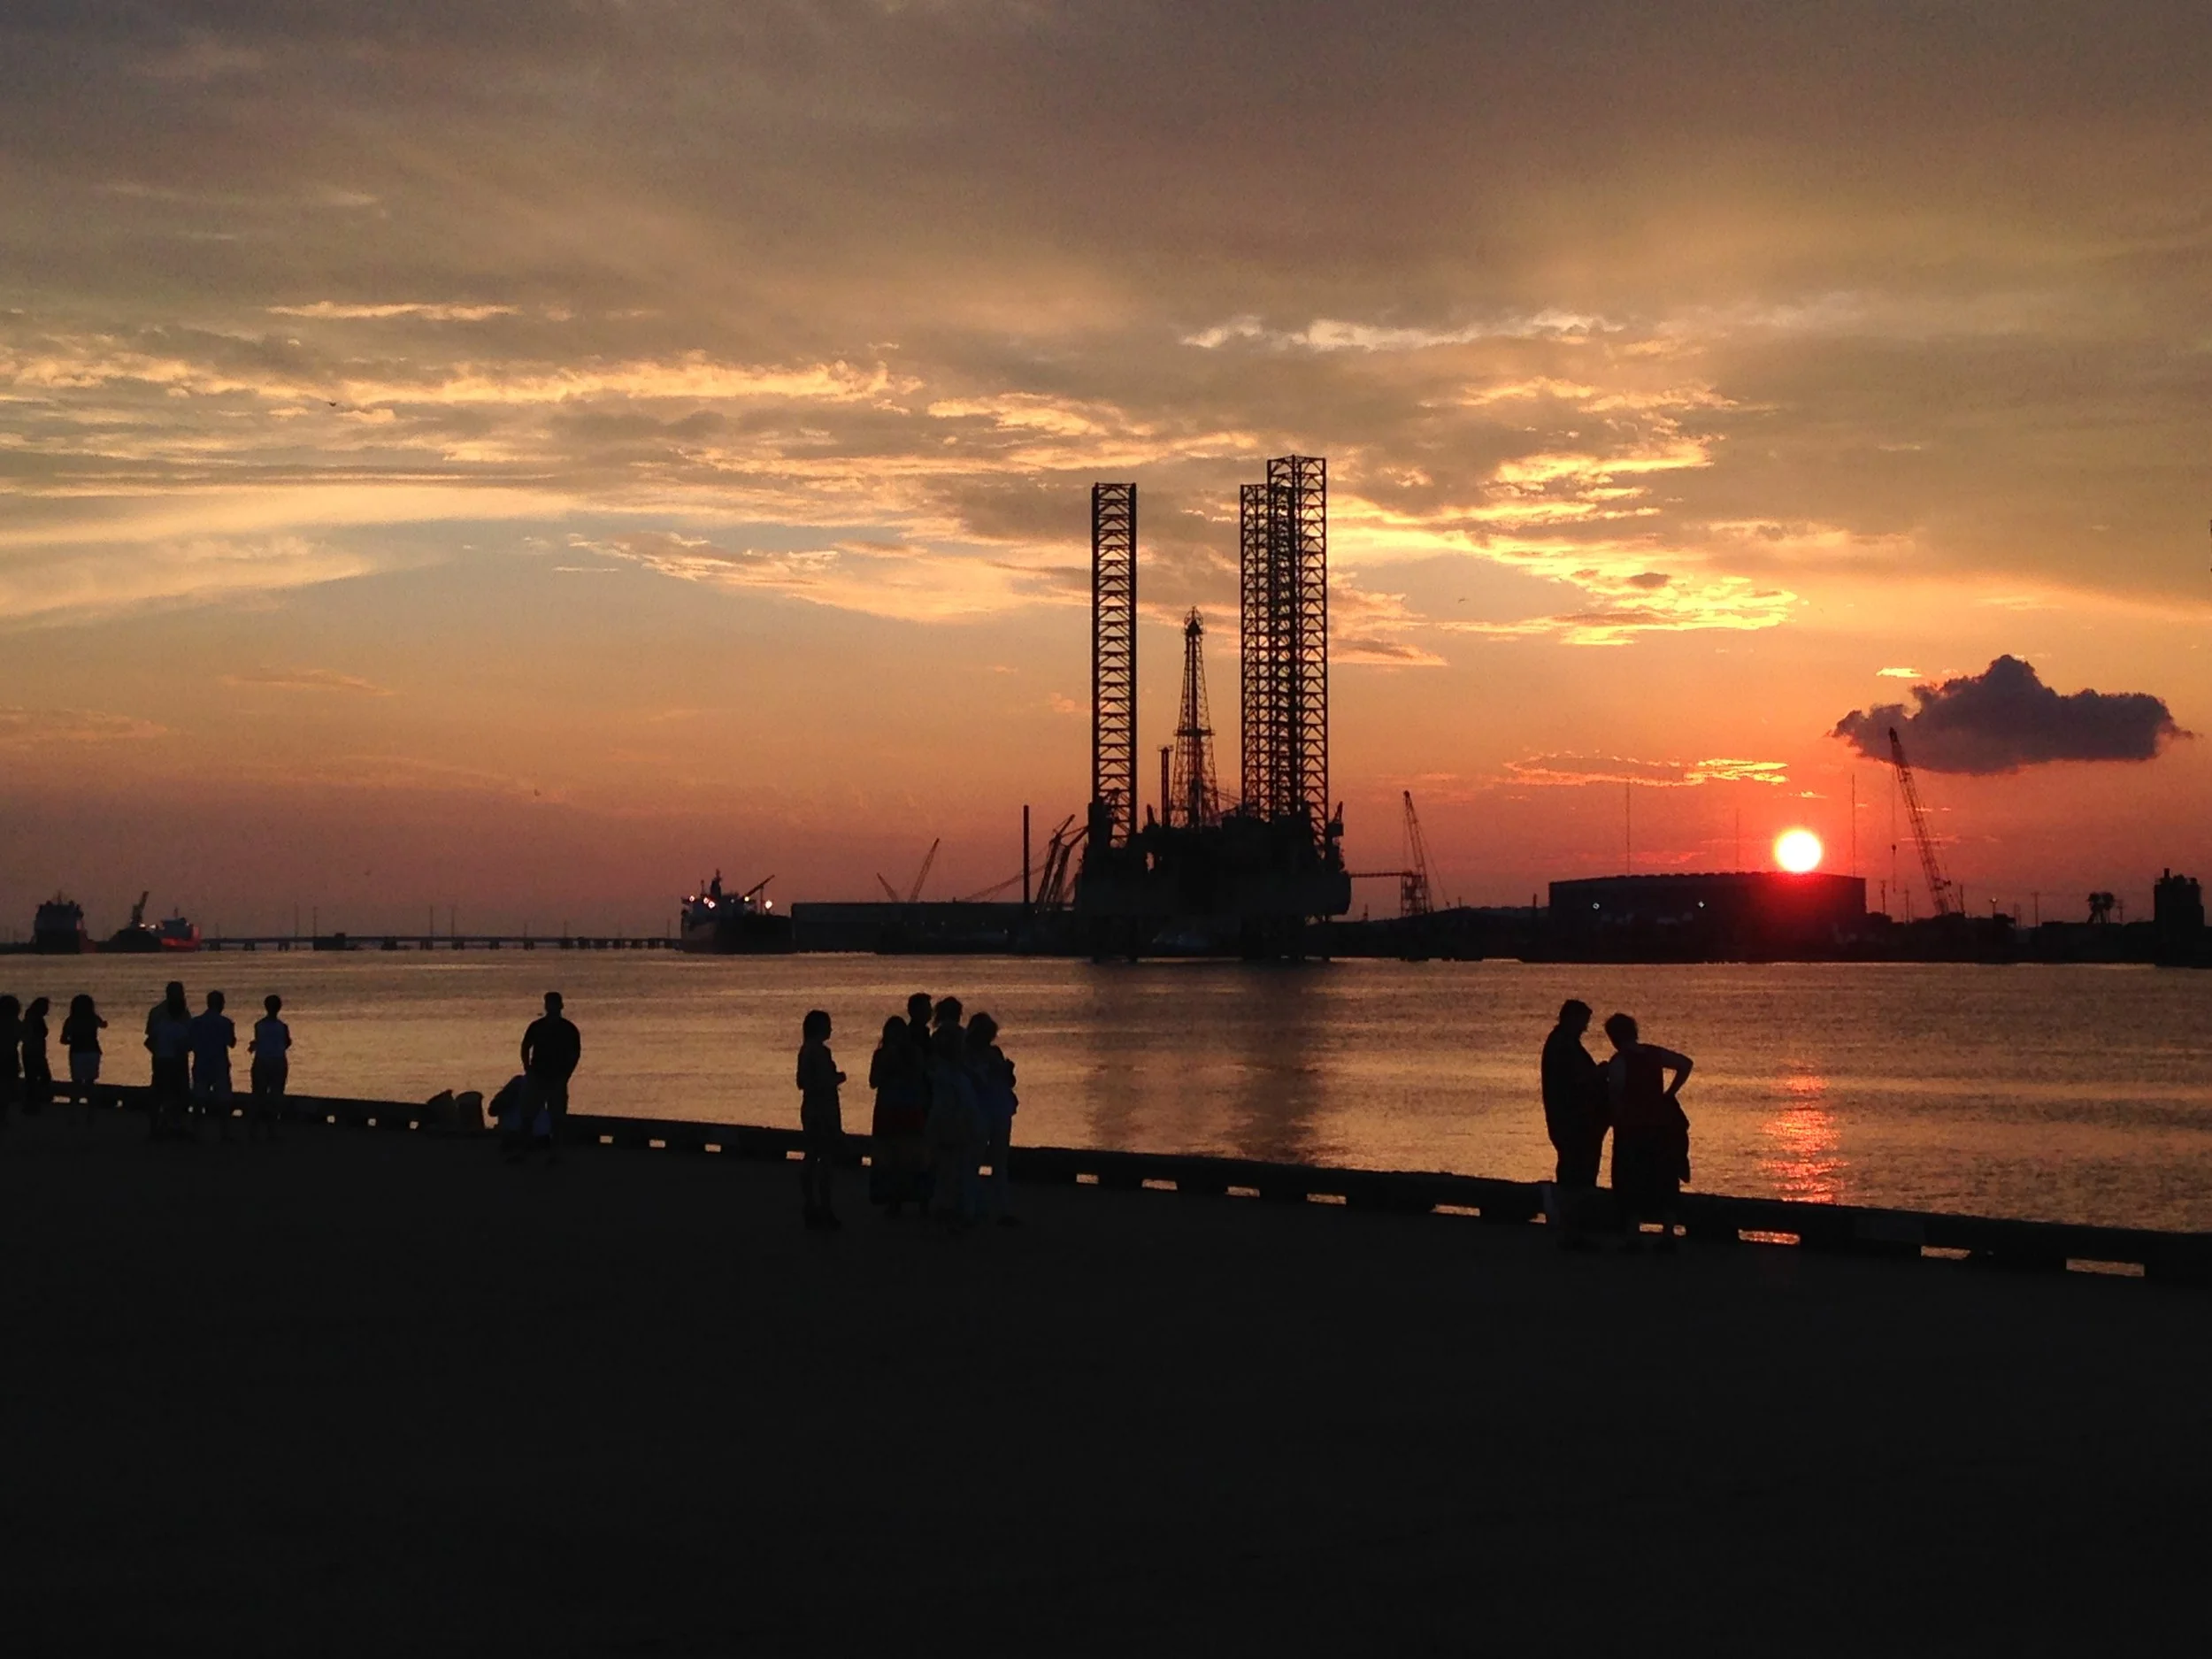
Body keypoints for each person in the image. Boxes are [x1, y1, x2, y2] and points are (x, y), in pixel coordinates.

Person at [1601, 1013, 1694, 1253]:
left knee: (1629, 1180)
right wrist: (1669, 1093)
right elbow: (1685, 1064)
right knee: (1664, 1179)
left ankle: (1633, 1235)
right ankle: (1668, 1234)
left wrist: (1614, 1119)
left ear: (1613, 1037)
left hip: (1631, 1128)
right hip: (1659, 1127)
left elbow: (1615, 1095)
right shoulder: (1654, 1054)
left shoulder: (1619, 1061)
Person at [1540, 1000, 1609, 1248]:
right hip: (1573, 1122)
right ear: (1570, 1018)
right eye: (1582, 1022)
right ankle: (1572, 1231)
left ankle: (1573, 1230)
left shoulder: (1563, 1043)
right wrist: (1600, 1073)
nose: (1585, 1028)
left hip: (1573, 1121)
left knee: (1576, 1174)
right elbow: (1576, 1080)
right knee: (1576, 1177)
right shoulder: (1563, 1046)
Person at [926, 1002, 981, 1233]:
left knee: (944, 1168)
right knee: (958, 1167)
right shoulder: (958, 1074)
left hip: (942, 1117)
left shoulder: (938, 1058)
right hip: (956, 1120)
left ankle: (943, 1210)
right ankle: (957, 1211)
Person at [868, 1014, 929, 1216]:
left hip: (909, 1108)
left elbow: (917, 1076)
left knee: (913, 1155)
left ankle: (920, 1200)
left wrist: (898, 1063)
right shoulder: (880, 1055)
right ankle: (893, 1200)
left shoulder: (915, 1053)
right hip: (888, 1108)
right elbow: (873, 1081)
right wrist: (887, 1064)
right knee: (890, 1156)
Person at [967, 1012, 1020, 1225]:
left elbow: (1009, 1081)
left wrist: (1007, 1071)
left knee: (999, 1160)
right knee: (974, 1158)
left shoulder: (995, 1052)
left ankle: (1001, 1209)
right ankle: (975, 1206)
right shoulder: (968, 1055)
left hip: (999, 1108)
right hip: (980, 1110)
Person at [796, 1010, 845, 1229]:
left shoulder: (805, 1050)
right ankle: (825, 1208)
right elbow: (821, 1082)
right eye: (828, 1025)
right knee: (825, 1159)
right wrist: (838, 1078)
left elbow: (802, 1082)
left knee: (811, 1156)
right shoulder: (820, 1052)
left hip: (810, 1108)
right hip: (823, 1109)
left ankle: (810, 1205)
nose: (831, 1029)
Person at [519, 992, 581, 1159]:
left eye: (554, 1004)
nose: (552, 1007)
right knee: (528, 1113)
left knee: (557, 1116)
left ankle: (555, 1152)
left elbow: (575, 1053)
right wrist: (528, 1069)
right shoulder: (537, 1026)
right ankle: (525, 1148)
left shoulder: (568, 1029)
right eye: (549, 1003)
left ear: (561, 1006)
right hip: (538, 1076)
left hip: (557, 1077)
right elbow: (525, 1046)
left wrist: (567, 1074)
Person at [144, 982, 194, 1140]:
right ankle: (160, 1126)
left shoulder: (182, 1012)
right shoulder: (160, 1013)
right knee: (164, 1093)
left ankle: (172, 1125)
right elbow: (150, 1040)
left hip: (172, 1059)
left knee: (177, 1094)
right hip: (167, 1060)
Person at [189, 990, 237, 1141]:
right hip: (219, 1063)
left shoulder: (196, 1022)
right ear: (221, 1004)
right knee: (224, 1100)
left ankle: (196, 1131)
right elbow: (232, 1042)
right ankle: (225, 1132)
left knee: (199, 1098)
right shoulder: (226, 1023)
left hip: (201, 1062)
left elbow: (190, 1043)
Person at [248, 994, 290, 1141]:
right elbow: (286, 1043)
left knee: (258, 1096)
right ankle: (272, 1130)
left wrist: (255, 1046)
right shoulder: (282, 1027)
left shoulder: (259, 1025)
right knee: (275, 1096)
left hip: (261, 1061)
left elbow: (259, 1041)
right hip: (278, 1061)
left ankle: (254, 1129)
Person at [61, 994, 106, 1120]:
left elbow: (63, 1039)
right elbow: (103, 1025)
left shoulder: (71, 1020)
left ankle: (74, 1112)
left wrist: (74, 1040)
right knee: (90, 1083)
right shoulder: (93, 1018)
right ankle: (91, 1113)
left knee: (77, 1083)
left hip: (77, 1052)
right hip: (92, 1051)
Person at [19, 995, 51, 1115]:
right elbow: (29, 1035)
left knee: (33, 1078)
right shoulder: (34, 1019)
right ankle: (34, 1103)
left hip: (32, 1051)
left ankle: (33, 1102)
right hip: (34, 1052)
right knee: (40, 1077)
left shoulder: (32, 1017)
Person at [0, 995, 19, 1133]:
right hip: (10, 1057)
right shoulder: (15, 1024)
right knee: (6, 1089)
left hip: (8, 1057)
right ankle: (3, 1117)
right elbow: (26, 1036)